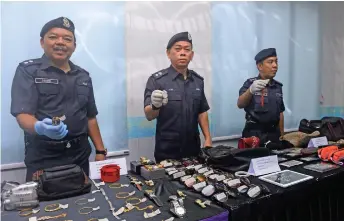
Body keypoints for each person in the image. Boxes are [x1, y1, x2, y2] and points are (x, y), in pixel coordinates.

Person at [10, 17, 107, 181]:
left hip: (80, 155)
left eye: (67, 39)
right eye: (53, 37)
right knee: (45, 204)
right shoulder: (28, 71)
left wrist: (100, 151)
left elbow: (90, 117)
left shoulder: (83, 76)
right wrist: (39, 127)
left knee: (84, 201)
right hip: (44, 156)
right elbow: (22, 115)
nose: (60, 42)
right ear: (42, 42)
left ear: (74, 46)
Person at [143, 31, 212, 163]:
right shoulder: (157, 80)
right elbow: (149, 115)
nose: (182, 53)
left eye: (187, 49)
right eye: (178, 49)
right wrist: (155, 106)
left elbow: (202, 111)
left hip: (193, 149)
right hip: (167, 150)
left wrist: (208, 138)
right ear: (168, 53)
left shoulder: (198, 81)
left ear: (192, 55)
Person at [237, 48, 285, 144]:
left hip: (274, 134)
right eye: (270, 62)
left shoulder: (277, 87)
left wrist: (282, 135)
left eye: (276, 61)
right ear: (260, 66)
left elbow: (280, 113)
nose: (275, 65)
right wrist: (250, 91)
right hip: (254, 135)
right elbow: (240, 104)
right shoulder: (250, 83)